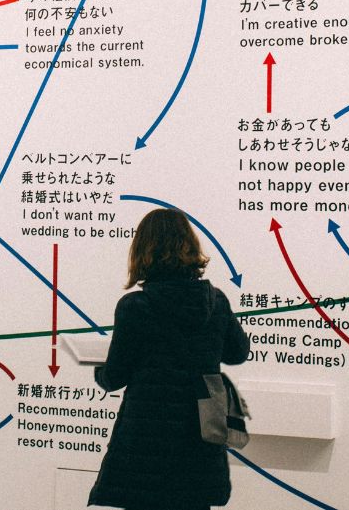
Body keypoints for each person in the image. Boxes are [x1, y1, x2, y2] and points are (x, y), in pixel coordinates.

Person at [89, 208, 250, 510]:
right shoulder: (215, 301)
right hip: (199, 435)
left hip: (147, 440)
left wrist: (99, 371)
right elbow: (238, 352)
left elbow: (115, 376)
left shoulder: (135, 306)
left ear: (142, 251)